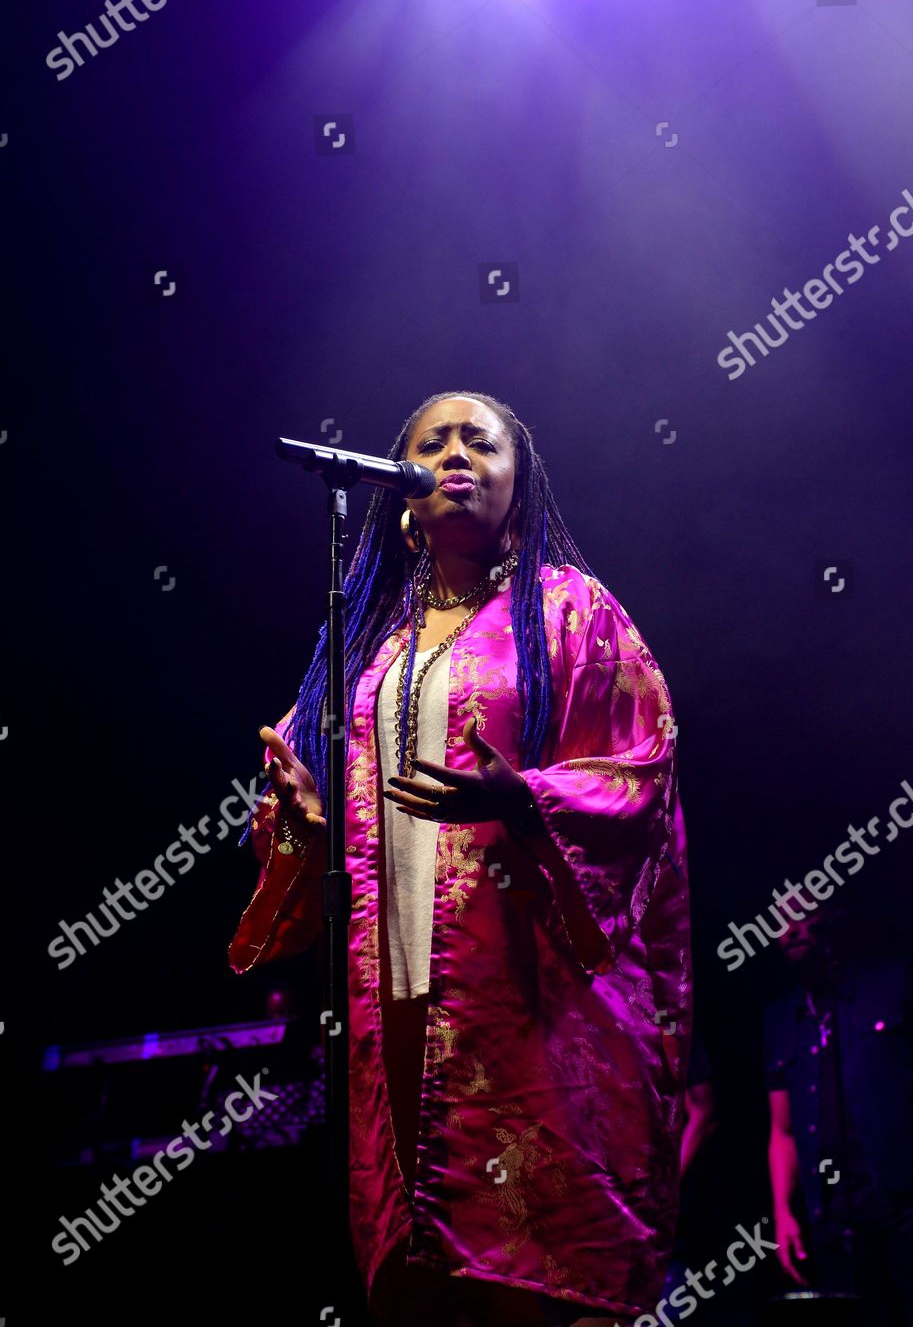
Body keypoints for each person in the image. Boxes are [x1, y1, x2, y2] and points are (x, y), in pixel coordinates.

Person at [227, 392, 691, 1327]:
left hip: (526, 989)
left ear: (518, 486)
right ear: (400, 492)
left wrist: (522, 798)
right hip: (392, 987)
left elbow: (644, 772)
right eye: (431, 443)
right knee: (420, 1272)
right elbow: (333, 835)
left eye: (480, 442)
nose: (453, 455)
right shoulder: (373, 649)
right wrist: (307, 822)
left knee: (532, 1272)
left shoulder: (571, 613)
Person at [764, 904, 913, 1325]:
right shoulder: (781, 1019)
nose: (792, 930)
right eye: (780, 922)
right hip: (836, 1217)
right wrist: (784, 1212)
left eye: (802, 913)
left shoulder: (894, 984)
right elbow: (782, 1130)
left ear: (831, 917)